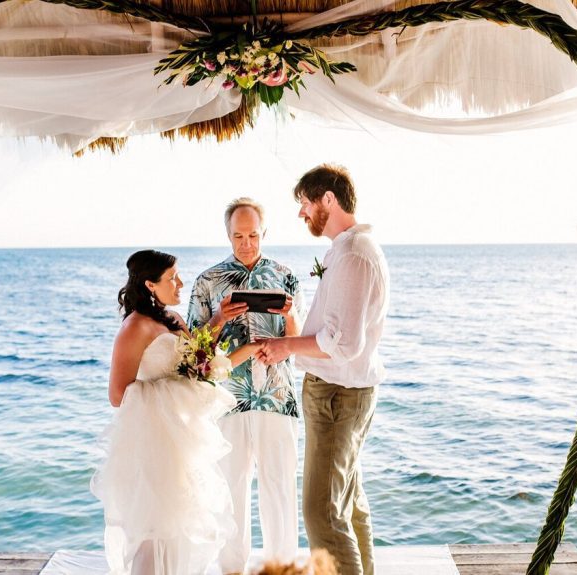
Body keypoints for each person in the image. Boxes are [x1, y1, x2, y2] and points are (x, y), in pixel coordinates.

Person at [256, 165, 390, 575]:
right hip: (346, 393)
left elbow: (343, 344)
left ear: (328, 200)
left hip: (336, 396)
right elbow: (339, 330)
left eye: (305, 203)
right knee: (348, 508)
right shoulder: (352, 249)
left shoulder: (352, 255)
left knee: (321, 516)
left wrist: (284, 346)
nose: (301, 214)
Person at [91, 249, 257, 575]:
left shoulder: (172, 318)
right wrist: (172, 390)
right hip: (152, 437)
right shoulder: (134, 328)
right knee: (155, 524)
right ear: (150, 285)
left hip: (182, 435)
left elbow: (196, 358)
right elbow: (117, 394)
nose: (181, 283)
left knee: (182, 522)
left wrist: (220, 318)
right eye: (172, 278)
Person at [187, 198, 304, 575]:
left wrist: (290, 315)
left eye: (253, 235)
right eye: (238, 236)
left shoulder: (285, 277)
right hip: (228, 400)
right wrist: (220, 317)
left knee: (281, 489)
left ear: (264, 232)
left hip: (277, 396)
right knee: (230, 491)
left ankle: (281, 567)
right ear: (228, 235)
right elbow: (194, 350)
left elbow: (299, 340)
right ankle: (232, 570)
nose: (247, 243)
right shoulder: (208, 281)